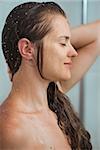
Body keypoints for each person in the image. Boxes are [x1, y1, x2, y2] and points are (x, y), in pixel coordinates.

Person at [0, 1, 100, 150]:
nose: (74, 52)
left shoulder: (54, 97)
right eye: (63, 43)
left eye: (69, 41)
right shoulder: (13, 131)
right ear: (27, 49)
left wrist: (55, 37)